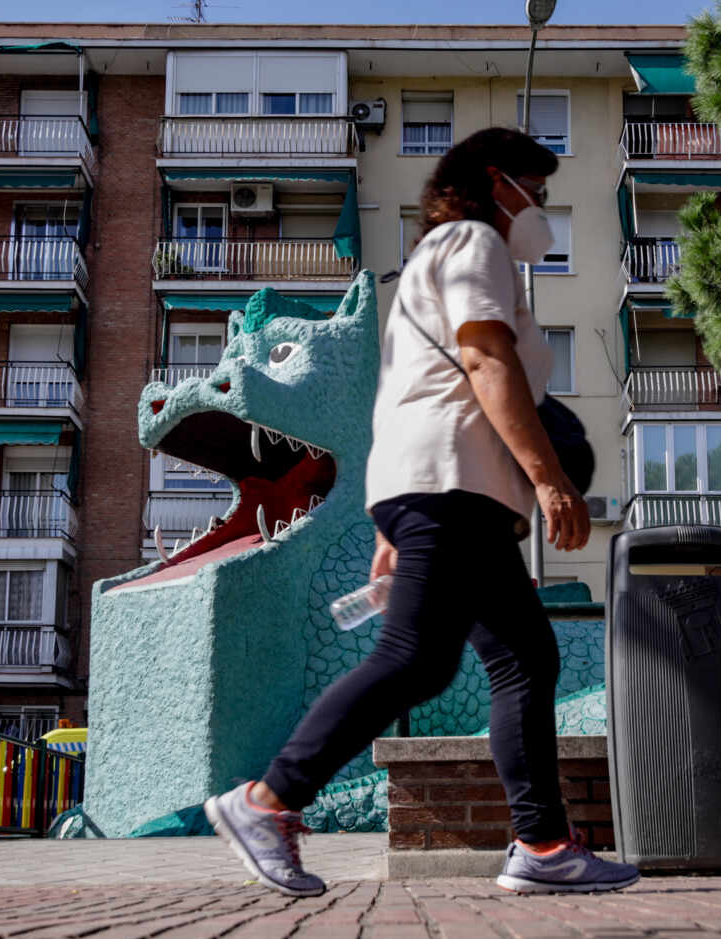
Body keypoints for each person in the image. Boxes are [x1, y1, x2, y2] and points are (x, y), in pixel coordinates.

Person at [204, 127, 641, 897]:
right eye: (535, 191)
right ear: (494, 182)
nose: (541, 206)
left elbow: (412, 394)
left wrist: (388, 527)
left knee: (523, 656)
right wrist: (549, 480)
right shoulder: (473, 242)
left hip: (447, 490)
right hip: (452, 487)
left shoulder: (431, 263)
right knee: (415, 658)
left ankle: (542, 847)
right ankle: (266, 799)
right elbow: (483, 360)